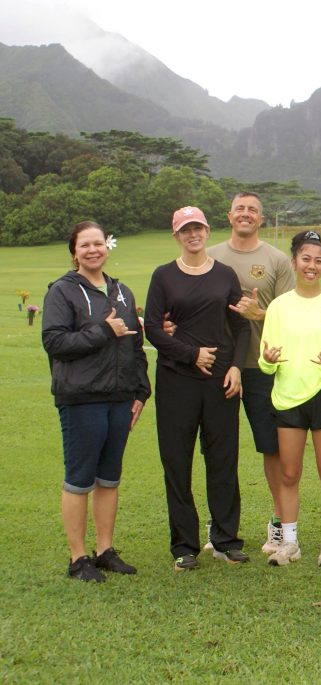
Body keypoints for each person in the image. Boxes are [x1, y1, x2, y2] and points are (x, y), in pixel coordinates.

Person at [42, 221, 150, 582]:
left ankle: (104, 550)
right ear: (74, 251)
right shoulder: (62, 291)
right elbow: (55, 343)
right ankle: (78, 558)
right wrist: (104, 331)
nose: (93, 250)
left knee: (109, 478)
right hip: (81, 399)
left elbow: (135, 347)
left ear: (107, 247)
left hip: (120, 398)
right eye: (84, 245)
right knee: (79, 479)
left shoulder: (122, 291)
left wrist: (141, 392)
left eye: (98, 243)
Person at [144, 206, 249, 571]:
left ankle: (225, 540)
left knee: (222, 460)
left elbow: (241, 327)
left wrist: (236, 367)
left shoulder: (224, 275)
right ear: (177, 235)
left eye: (198, 228)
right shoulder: (163, 276)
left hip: (221, 382)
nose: (193, 235)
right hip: (177, 381)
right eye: (186, 230)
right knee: (177, 461)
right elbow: (153, 330)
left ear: (207, 231)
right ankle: (184, 546)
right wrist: (192, 355)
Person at [207, 192, 295, 554]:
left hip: (263, 367)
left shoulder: (276, 260)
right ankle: (221, 524)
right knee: (218, 448)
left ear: (261, 218)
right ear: (230, 215)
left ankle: (277, 522)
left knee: (271, 447)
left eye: (253, 210)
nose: (246, 214)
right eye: (240, 208)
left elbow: (293, 313)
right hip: (218, 366)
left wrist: (262, 313)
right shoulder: (209, 256)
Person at [258, 231, 321, 567]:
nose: (312, 266)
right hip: (288, 397)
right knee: (289, 474)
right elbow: (266, 362)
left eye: (319, 260)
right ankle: (290, 544)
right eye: (306, 259)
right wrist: (268, 358)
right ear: (294, 262)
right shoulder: (279, 307)